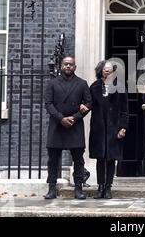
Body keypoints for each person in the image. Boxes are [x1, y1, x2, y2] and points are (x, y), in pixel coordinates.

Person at [44, 56, 92, 200]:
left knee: (78, 159)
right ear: (62, 66)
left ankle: (78, 188)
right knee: (53, 159)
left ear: (75, 67)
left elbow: (89, 103)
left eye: (71, 64)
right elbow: (48, 104)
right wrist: (61, 118)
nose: (68, 66)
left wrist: (75, 117)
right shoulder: (52, 83)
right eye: (66, 64)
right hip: (57, 125)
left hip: (74, 125)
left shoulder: (82, 84)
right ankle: (52, 188)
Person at [88, 60, 128, 199]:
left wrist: (123, 127)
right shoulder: (94, 87)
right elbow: (88, 104)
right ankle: (100, 187)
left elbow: (124, 110)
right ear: (101, 70)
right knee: (100, 158)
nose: (107, 71)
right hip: (99, 128)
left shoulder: (120, 87)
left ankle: (108, 188)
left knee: (111, 159)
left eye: (110, 69)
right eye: (105, 69)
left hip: (114, 128)